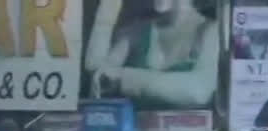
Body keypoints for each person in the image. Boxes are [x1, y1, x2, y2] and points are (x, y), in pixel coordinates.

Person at [85, 0, 218, 108]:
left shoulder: (211, 31)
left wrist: (125, 77)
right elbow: (97, 74)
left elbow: (199, 92)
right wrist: (105, 16)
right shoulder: (137, 31)